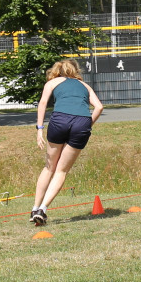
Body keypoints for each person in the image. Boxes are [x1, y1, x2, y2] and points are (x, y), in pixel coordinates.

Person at [31, 59, 103, 226]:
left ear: (56, 70)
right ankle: (43, 209)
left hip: (59, 120)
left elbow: (42, 103)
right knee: (61, 171)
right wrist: (87, 124)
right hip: (82, 122)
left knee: (50, 167)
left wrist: (39, 129)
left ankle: (35, 208)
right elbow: (99, 107)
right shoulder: (84, 86)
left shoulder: (52, 82)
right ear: (75, 70)